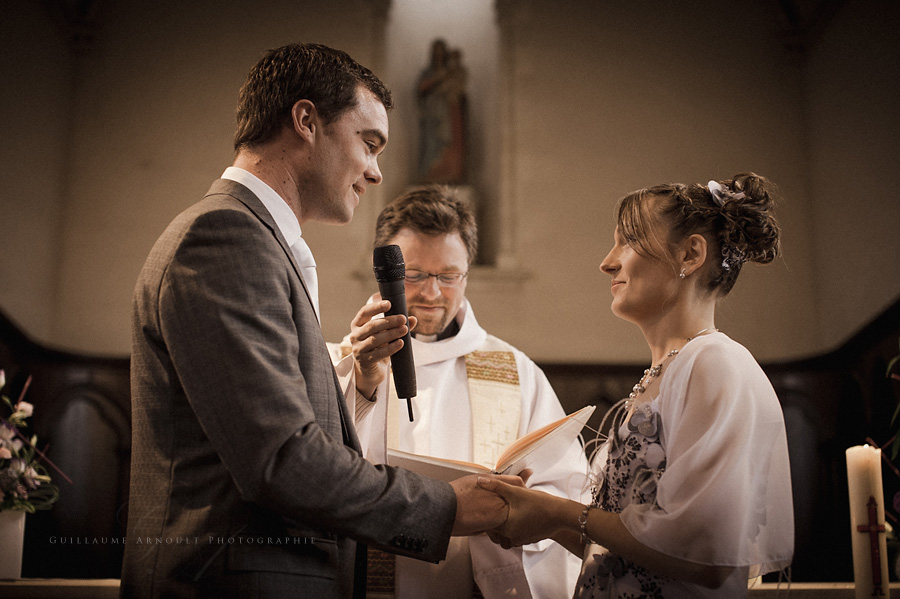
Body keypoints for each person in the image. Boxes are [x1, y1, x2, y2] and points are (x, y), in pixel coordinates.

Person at [121, 43, 513, 599]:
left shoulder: (259, 242)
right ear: (306, 121)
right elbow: (282, 459)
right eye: (369, 143)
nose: (376, 172)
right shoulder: (225, 238)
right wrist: (448, 506)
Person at [479, 173, 794, 598]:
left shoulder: (716, 363)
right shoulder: (665, 373)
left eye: (627, 241)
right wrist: (542, 520)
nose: (607, 263)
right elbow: (627, 555)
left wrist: (560, 512)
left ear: (690, 254)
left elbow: (704, 552)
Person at [329, 185, 590, 599]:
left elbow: (567, 485)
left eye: (448, 276)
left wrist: (513, 507)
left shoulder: (515, 370)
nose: (432, 293)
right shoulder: (342, 364)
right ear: (386, 274)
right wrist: (360, 382)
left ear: (466, 273)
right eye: (414, 275)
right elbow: (313, 472)